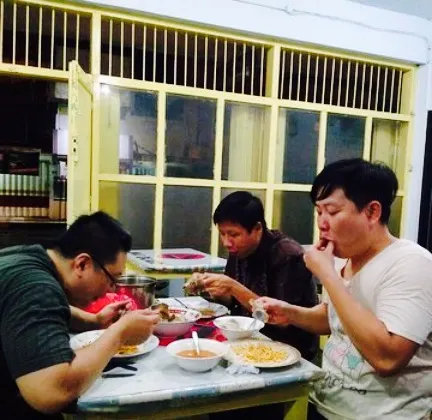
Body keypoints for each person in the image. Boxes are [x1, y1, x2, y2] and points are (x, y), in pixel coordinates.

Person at [256, 159, 432, 420]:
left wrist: (327, 275)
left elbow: (388, 359)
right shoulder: (342, 256)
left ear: (372, 212)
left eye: (332, 211)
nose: (322, 223)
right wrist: (290, 313)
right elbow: (332, 319)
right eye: (319, 212)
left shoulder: (412, 264)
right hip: (324, 402)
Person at [0, 211, 160, 420]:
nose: (111, 290)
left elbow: (45, 309)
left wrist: (94, 321)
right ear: (82, 264)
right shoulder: (36, 286)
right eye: (112, 279)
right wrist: (119, 333)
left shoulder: (27, 259)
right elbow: (50, 393)